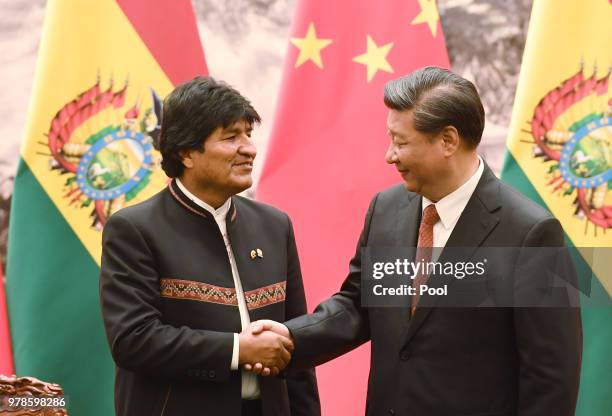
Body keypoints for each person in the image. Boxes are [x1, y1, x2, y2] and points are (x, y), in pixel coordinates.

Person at [248, 67, 582, 416]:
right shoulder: (386, 209)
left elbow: (551, 378)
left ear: (448, 141)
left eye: (401, 142)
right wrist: (290, 338)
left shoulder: (531, 235)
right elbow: (357, 305)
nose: (390, 155)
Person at [99, 76, 320, 416]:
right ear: (186, 153)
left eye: (248, 134)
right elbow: (134, 340)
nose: (249, 148)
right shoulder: (134, 229)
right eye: (231, 137)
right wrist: (237, 350)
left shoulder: (275, 225)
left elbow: (295, 347)